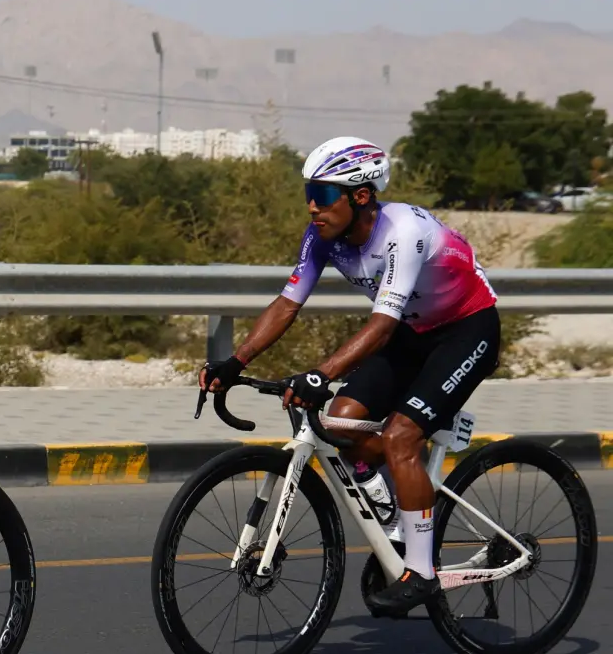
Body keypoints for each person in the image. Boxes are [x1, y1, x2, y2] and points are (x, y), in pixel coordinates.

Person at [199, 136, 500, 617]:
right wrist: (237, 362)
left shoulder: (405, 230)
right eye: (308, 195)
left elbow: (381, 326)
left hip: (466, 331)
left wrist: (320, 373)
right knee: (339, 421)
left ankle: (420, 572)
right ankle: (395, 505)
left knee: (401, 436)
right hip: (411, 333)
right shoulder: (321, 237)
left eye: (321, 195)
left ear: (360, 195)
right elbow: (287, 303)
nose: (312, 207)